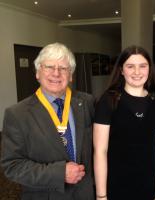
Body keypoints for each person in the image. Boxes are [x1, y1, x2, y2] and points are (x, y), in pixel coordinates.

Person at [1, 42, 95, 200]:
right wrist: (59, 173)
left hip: (84, 194)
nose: (56, 73)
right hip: (45, 195)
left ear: (71, 75)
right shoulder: (17, 114)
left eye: (63, 68)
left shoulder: (87, 102)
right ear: (38, 72)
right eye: (49, 67)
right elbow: (12, 166)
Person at [93, 45, 155, 200]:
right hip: (116, 187)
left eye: (142, 66)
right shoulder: (108, 100)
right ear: (121, 70)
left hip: (151, 187)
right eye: (130, 66)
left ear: (149, 69)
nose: (137, 72)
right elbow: (100, 151)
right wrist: (101, 196)